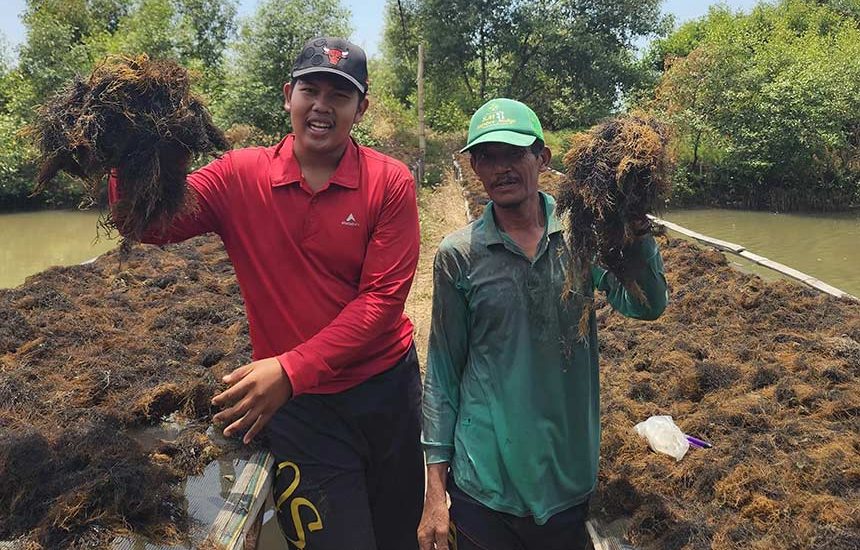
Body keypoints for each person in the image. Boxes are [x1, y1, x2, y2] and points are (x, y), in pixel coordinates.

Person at [109, 37, 422, 550]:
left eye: (339, 95)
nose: (321, 106)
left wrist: (288, 368)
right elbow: (146, 223)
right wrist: (126, 151)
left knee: (399, 536)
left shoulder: (390, 183)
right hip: (303, 409)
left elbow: (381, 303)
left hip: (387, 393)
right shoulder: (238, 175)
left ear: (359, 109)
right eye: (310, 90)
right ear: (288, 96)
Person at [417, 98, 668, 550]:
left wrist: (635, 229)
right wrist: (435, 490)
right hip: (484, 482)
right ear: (474, 167)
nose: (501, 168)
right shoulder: (459, 255)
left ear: (542, 157)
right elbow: (442, 372)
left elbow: (645, 305)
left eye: (514, 153)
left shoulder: (580, 237)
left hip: (566, 477)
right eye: (487, 157)